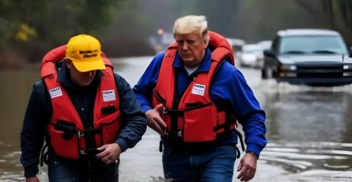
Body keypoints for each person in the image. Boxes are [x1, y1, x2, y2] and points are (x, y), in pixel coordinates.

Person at [133, 15, 267, 182]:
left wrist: (252, 153)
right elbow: (137, 93)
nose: (184, 47)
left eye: (191, 41)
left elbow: (253, 116)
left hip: (217, 153)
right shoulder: (161, 63)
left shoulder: (228, 74)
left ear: (205, 41)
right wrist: (147, 111)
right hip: (174, 154)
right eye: (179, 42)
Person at [20, 34, 147, 182]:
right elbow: (31, 134)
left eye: (93, 67)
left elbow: (137, 119)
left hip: (105, 162)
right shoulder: (43, 91)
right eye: (83, 68)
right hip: (64, 163)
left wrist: (119, 145)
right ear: (68, 63)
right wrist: (30, 173)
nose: (89, 73)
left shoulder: (116, 83)